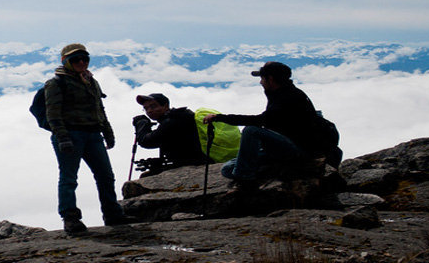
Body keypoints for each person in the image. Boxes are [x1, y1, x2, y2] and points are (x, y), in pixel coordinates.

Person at [44, 43, 134, 233]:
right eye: (75, 59)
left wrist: (107, 133)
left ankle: (112, 215)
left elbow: (99, 108)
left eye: (85, 58)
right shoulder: (56, 83)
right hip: (70, 135)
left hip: (93, 134)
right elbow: (53, 114)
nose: (81, 62)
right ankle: (70, 218)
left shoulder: (90, 80)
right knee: (69, 178)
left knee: (106, 176)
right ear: (66, 62)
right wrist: (62, 138)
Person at [202, 62, 326, 190]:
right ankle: (273, 169)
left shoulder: (289, 98)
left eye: (262, 78)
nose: (261, 82)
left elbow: (259, 121)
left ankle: (245, 179)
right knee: (227, 169)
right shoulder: (281, 93)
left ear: (271, 79)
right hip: (281, 147)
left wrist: (219, 118)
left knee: (251, 131)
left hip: (298, 150)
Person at [133, 93, 210, 172]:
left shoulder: (174, 120)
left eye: (153, 106)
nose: (149, 111)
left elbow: (147, 141)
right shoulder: (180, 116)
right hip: (197, 162)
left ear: (165, 106)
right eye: (146, 108)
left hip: (195, 165)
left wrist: (141, 123)